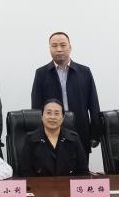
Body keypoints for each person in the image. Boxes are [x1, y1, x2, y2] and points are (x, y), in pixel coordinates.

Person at [31, 32, 102, 162]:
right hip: (51, 131)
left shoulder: (84, 72)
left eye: (63, 45)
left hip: (80, 130)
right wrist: (38, 134)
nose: (59, 49)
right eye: (54, 45)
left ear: (70, 47)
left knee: (81, 170)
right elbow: (36, 107)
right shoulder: (41, 73)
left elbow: (93, 104)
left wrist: (95, 133)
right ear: (49, 48)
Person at [17, 99, 88, 177]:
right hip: (39, 184)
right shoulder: (31, 139)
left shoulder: (73, 138)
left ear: (63, 118)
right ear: (42, 116)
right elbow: (25, 172)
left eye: (57, 113)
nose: (52, 117)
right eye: (48, 113)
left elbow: (83, 171)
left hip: (68, 184)